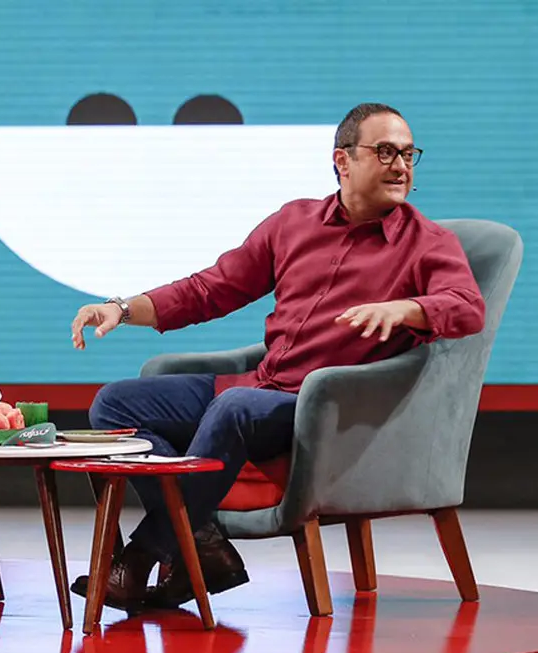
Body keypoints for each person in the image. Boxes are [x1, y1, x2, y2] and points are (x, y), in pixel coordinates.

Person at [68, 103, 485, 610]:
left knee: (235, 407)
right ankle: (203, 543)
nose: (401, 166)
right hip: (262, 386)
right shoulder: (294, 222)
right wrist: (121, 308)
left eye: (407, 154)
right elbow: (211, 289)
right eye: (385, 152)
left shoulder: (427, 244)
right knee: (114, 404)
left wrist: (408, 309)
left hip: (325, 407)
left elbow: (468, 308)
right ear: (343, 160)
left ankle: (138, 559)